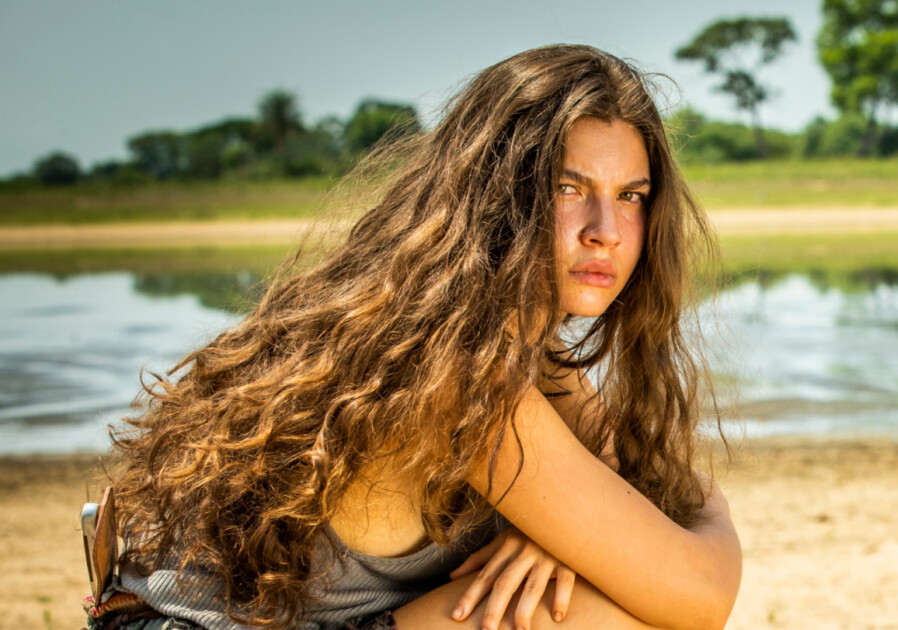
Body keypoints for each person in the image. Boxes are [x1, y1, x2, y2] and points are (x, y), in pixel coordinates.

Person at [99, 44, 741, 630]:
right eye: (567, 188)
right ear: (495, 196)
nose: (606, 229)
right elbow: (701, 597)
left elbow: (635, 471)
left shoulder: (513, 341)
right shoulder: (456, 370)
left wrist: (557, 532)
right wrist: (714, 513)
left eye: (631, 195)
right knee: (590, 617)